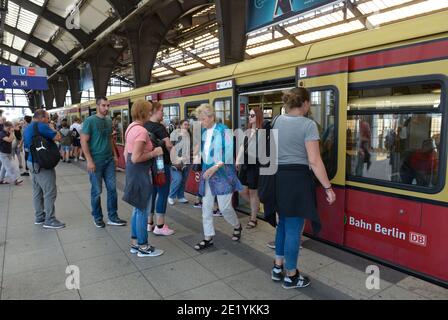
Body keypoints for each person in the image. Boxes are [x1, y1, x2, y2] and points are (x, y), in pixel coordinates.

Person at [271, 88, 336, 289]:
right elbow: (315, 161)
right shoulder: (308, 125)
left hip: (278, 179)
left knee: (282, 224)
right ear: (305, 104)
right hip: (297, 181)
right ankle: (291, 276)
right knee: (293, 229)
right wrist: (328, 187)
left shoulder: (277, 121)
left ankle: (277, 267)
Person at [194, 104, 243, 251]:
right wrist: (197, 156)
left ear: (211, 117)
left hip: (222, 174)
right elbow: (202, 151)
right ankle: (208, 237)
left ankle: (237, 225)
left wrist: (214, 167)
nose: (201, 122)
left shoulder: (225, 131)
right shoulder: (203, 131)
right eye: (200, 119)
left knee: (225, 207)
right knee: (206, 208)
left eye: (203, 119)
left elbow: (228, 154)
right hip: (207, 174)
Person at [123, 99, 164, 257]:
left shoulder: (130, 127)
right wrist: (155, 152)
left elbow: (127, 154)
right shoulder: (141, 131)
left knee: (136, 209)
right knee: (142, 211)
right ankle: (143, 246)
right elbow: (135, 157)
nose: (151, 113)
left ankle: (135, 243)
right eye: (149, 110)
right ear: (143, 112)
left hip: (133, 173)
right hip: (140, 173)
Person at [81, 97, 127, 228]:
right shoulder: (90, 121)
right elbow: (83, 141)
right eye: (103, 106)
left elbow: (109, 138)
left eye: (108, 106)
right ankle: (97, 217)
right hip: (96, 161)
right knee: (97, 191)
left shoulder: (108, 120)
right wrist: (89, 161)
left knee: (112, 189)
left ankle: (113, 216)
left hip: (108, 161)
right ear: (97, 106)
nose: (106, 108)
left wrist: (114, 155)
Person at [23, 109, 65, 228]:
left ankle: (39, 217)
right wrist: (51, 127)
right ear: (41, 118)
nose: (48, 120)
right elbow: (58, 137)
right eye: (47, 118)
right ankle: (50, 220)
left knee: (37, 191)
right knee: (50, 191)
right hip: (42, 163)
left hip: (31, 162)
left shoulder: (28, 127)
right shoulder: (41, 126)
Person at [144, 102, 175, 236]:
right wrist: (177, 158)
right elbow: (168, 146)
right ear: (154, 111)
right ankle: (160, 225)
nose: (163, 113)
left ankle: (149, 223)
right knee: (163, 192)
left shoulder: (144, 126)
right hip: (162, 165)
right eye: (161, 110)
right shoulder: (159, 127)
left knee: (152, 192)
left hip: (150, 165)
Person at [236, 107, 263, 229]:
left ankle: (253, 218)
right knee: (241, 191)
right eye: (249, 115)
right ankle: (256, 207)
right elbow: (242, 147)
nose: (249, 117)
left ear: (258, 117)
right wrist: (238, 160)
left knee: (253, 192)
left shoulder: (263, 132)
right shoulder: (247, 131)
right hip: (246, 164)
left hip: (255, 165)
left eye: (252, 115)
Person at [168, 119, 191, 205]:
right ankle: (171, 196)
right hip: (175, 161)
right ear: (180, 125)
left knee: (183, 180)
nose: (187, 126)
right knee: (178, 179)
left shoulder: (190, 135)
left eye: (188, 125)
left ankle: (180, 196)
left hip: (186, 161)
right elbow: (170, 147)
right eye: (185, 124)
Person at [0, 121, 23, 186]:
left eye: (10, 128)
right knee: (9, 167)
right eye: (9, 128)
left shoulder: (8, 132)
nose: (10, 129)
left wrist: (11, 132)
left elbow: (12, 138)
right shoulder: (1, 133)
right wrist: (12, 132)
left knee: (4, 167)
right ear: (5, 126)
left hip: (8, 152)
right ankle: (15, 180)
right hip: (3, 153)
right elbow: (9, 140)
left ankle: (0, 180)